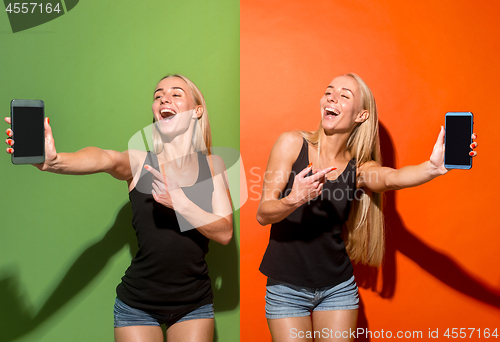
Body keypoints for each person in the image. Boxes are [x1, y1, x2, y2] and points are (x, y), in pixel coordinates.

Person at [5, 74, 233, 342]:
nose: (164, 99)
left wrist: (179, 201)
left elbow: (224, 232)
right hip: (138, 305)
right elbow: (105, 158)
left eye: (176, 93)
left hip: (193, 303)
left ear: (197, 111)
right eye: (158, 95)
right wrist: (55, 161)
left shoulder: (213, 165)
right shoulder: (140, 162)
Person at [255, 73, 478, 342]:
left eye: (344, 95)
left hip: (337, 288)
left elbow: (392, 178)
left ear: (361, 116)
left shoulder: (358, 169)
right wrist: (295, 198)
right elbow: (263, 214)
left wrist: (432, 168)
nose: (332, 97)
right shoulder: (292, 143)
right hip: (286, 289)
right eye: (329, 91)